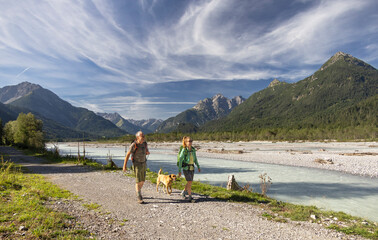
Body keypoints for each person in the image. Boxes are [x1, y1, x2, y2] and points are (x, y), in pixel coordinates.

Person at [123, 131, 150, 204]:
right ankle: (139, 196)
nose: (143, 137)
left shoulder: (145, 144)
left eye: (143, 135)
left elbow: (146, 151)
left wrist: (147, 152)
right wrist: (124, 166)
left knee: (143, 181)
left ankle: (138, 191)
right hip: (137, 164)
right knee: (138, 181)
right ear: (137, 137)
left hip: (144, 163)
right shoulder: (134, 145)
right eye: (142, 136)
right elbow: (127, 155)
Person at [178, 136, 201, 202]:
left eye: (191, 141)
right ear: (185, 142)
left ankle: (183, 192)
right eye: (189, 141)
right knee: (190, 182)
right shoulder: (184, 150)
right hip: (186, 168)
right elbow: (180, 160)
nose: (190, 142)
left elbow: (195, 159)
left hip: (192, 168)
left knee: (189, 182)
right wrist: (179, 171)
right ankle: (190, 196)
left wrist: (198, 166)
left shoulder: (193, 149)